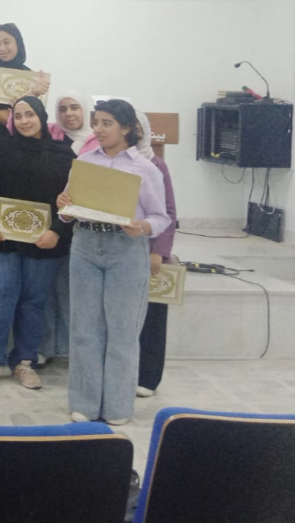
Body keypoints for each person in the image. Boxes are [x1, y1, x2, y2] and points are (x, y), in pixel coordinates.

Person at [57, 99, 169, 426]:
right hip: (85, 244)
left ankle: (118, 407)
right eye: (96, 123)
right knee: (84, 328)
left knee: (122, 330)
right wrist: (64, 206)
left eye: (107, 123)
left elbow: (161, 217)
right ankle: (85, 403)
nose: (99, 129)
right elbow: (68, 208)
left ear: (126, 128)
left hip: (126, 248)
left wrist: (143, 227)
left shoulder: (146, 168)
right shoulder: (83, 161)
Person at [0, 96, 76, 391]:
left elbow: (72, 199)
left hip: (44, 241)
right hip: (1, 239)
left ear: (41, 116)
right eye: (17, 116)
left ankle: (24, 361)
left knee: (34, 300)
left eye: (29, 114)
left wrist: (57, 231)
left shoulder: (64, 154)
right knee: (1, 294)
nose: (24, 121)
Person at [38, 90, 95, 366]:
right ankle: (46, 347)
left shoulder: (97, 141)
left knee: (74, 293)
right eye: (62, 109)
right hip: (49, 222)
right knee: (46, 290)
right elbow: (15, 123)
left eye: (74, 107)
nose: (69, 113)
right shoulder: (50, 134)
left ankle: (77, 351)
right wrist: (33, 94)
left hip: (82, 227)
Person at [135, 110, 178, 398]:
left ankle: (148, 378)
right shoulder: (112, 161)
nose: (134, 132)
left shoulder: (156, 164)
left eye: (138, 127)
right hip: (120, 249)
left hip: (150, 250)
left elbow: (169, 211)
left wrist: (159, 251)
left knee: (152, 317)